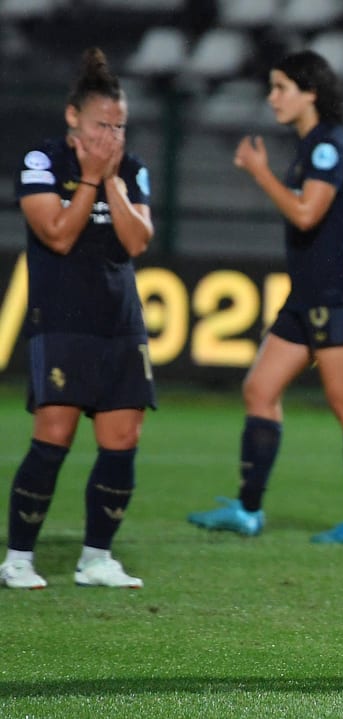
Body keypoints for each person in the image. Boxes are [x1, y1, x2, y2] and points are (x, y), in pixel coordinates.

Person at [187, 50, 343, 545]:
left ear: (310, 92)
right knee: (259, 390)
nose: (272, 97)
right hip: (308, 294)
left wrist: (259, 172)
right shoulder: (313, 145)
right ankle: (248, 510)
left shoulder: (327, 147)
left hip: (336, 294)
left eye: (281, 87)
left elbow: (305, 214)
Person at [0, 48, 154, 590]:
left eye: (119, 125)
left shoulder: (132, 171)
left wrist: (110, 180)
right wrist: (89, 178)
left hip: (121, 322)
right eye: (100, 124)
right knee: (54, 436)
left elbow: (136, 240)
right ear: (73, 118)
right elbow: (59, 235)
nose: (110, 135)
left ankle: (97, 558)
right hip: (62, 317)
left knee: (122, 438)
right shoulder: (42, 162)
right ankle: (18, 558)